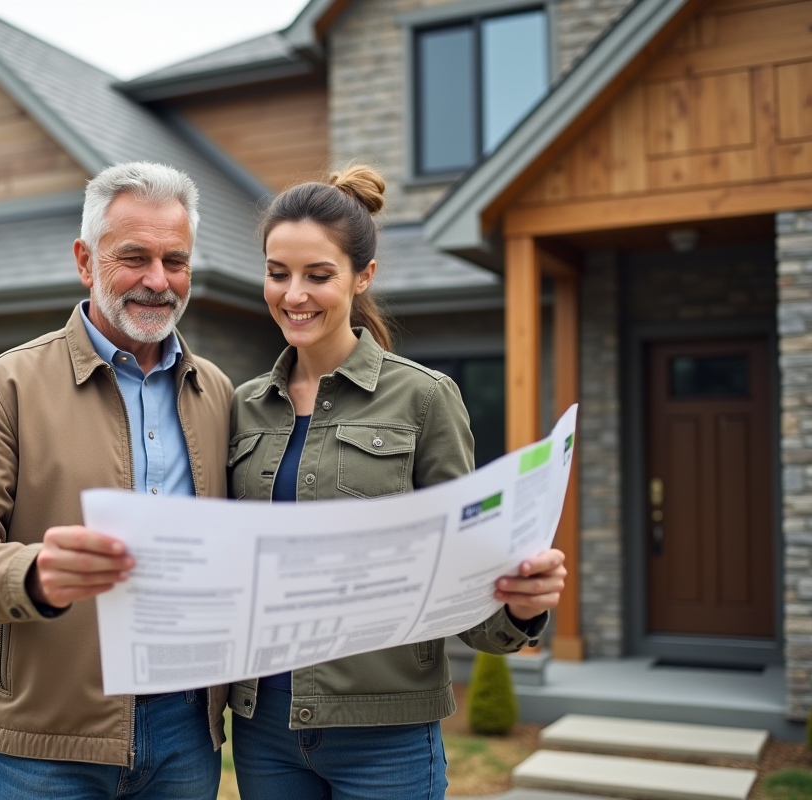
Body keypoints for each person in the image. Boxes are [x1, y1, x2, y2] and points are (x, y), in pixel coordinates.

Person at [224, 165, 567, 800]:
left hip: (386, 735)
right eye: (278, 273)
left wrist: (519, 608)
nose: (293, 294)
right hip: (263, 729)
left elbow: (464, 576)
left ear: (363, 276)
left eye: (318, 275)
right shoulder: (241, 407)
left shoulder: (424, 398)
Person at [0, 162, 233, 800]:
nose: (157, 281)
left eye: (176, 260)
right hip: (47, 742)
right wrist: (30, 575)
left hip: (187, 735)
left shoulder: (217, 393)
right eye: (133, 257)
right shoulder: (2, 388)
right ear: (86, 260)